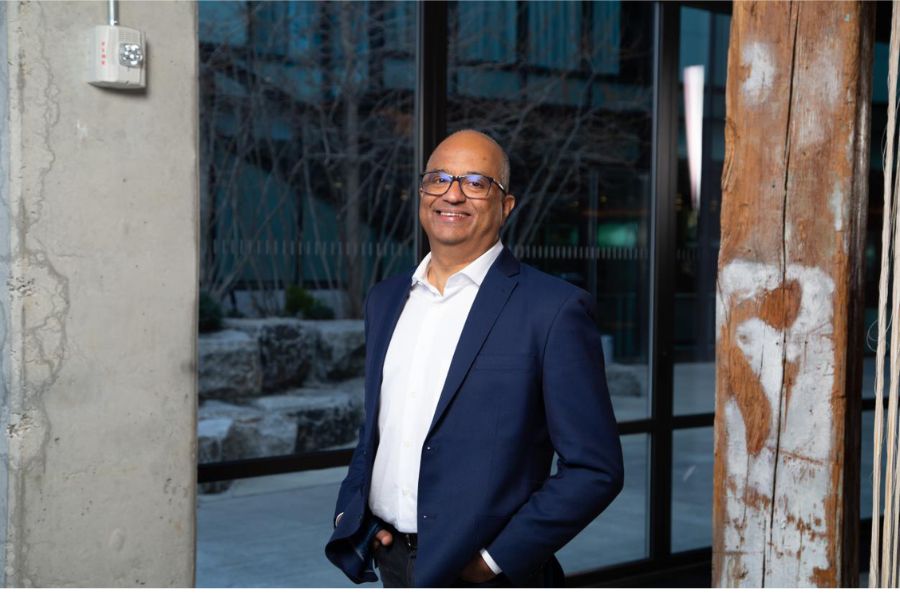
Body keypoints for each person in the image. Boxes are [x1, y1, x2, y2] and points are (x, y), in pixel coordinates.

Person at [325, 130, 624, 588]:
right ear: (422, 193)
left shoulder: (554, 309)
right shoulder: (385, 300)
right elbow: (379, 429)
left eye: (476, 182)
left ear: (506, 206)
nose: (453, 194)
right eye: (439, 179)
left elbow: (595, 469)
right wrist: (355, 513)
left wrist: (492, 561)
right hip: (392, 559)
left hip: (485, 576)